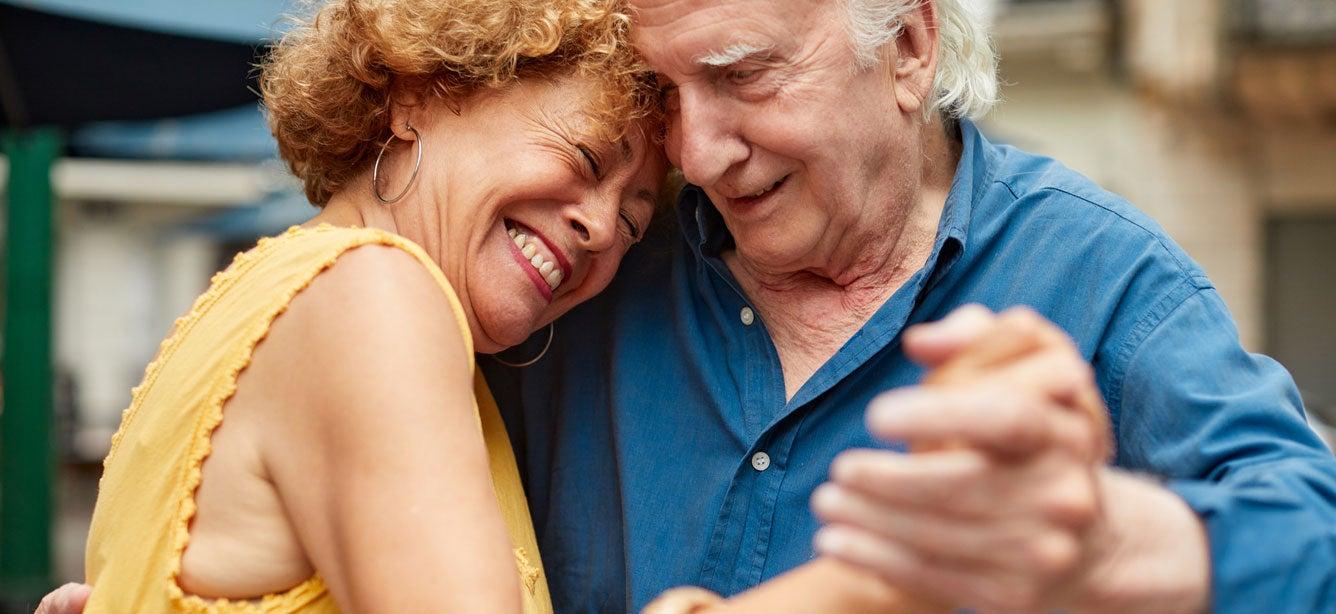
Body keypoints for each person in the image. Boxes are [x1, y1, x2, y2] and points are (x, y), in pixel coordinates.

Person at [474, 0, 1336, 612]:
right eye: (663, 92)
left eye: (742, 76)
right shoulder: (594, 269)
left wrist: (1111, 541)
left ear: (910, 49)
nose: (695, 154)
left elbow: (1313, 538)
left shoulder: (1099, 277)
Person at [71, 0, 665, 611]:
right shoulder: (373, 295)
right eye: (587, 158)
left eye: (631, 223)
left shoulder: (288, 292)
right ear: (422, 97)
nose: (599, 227)